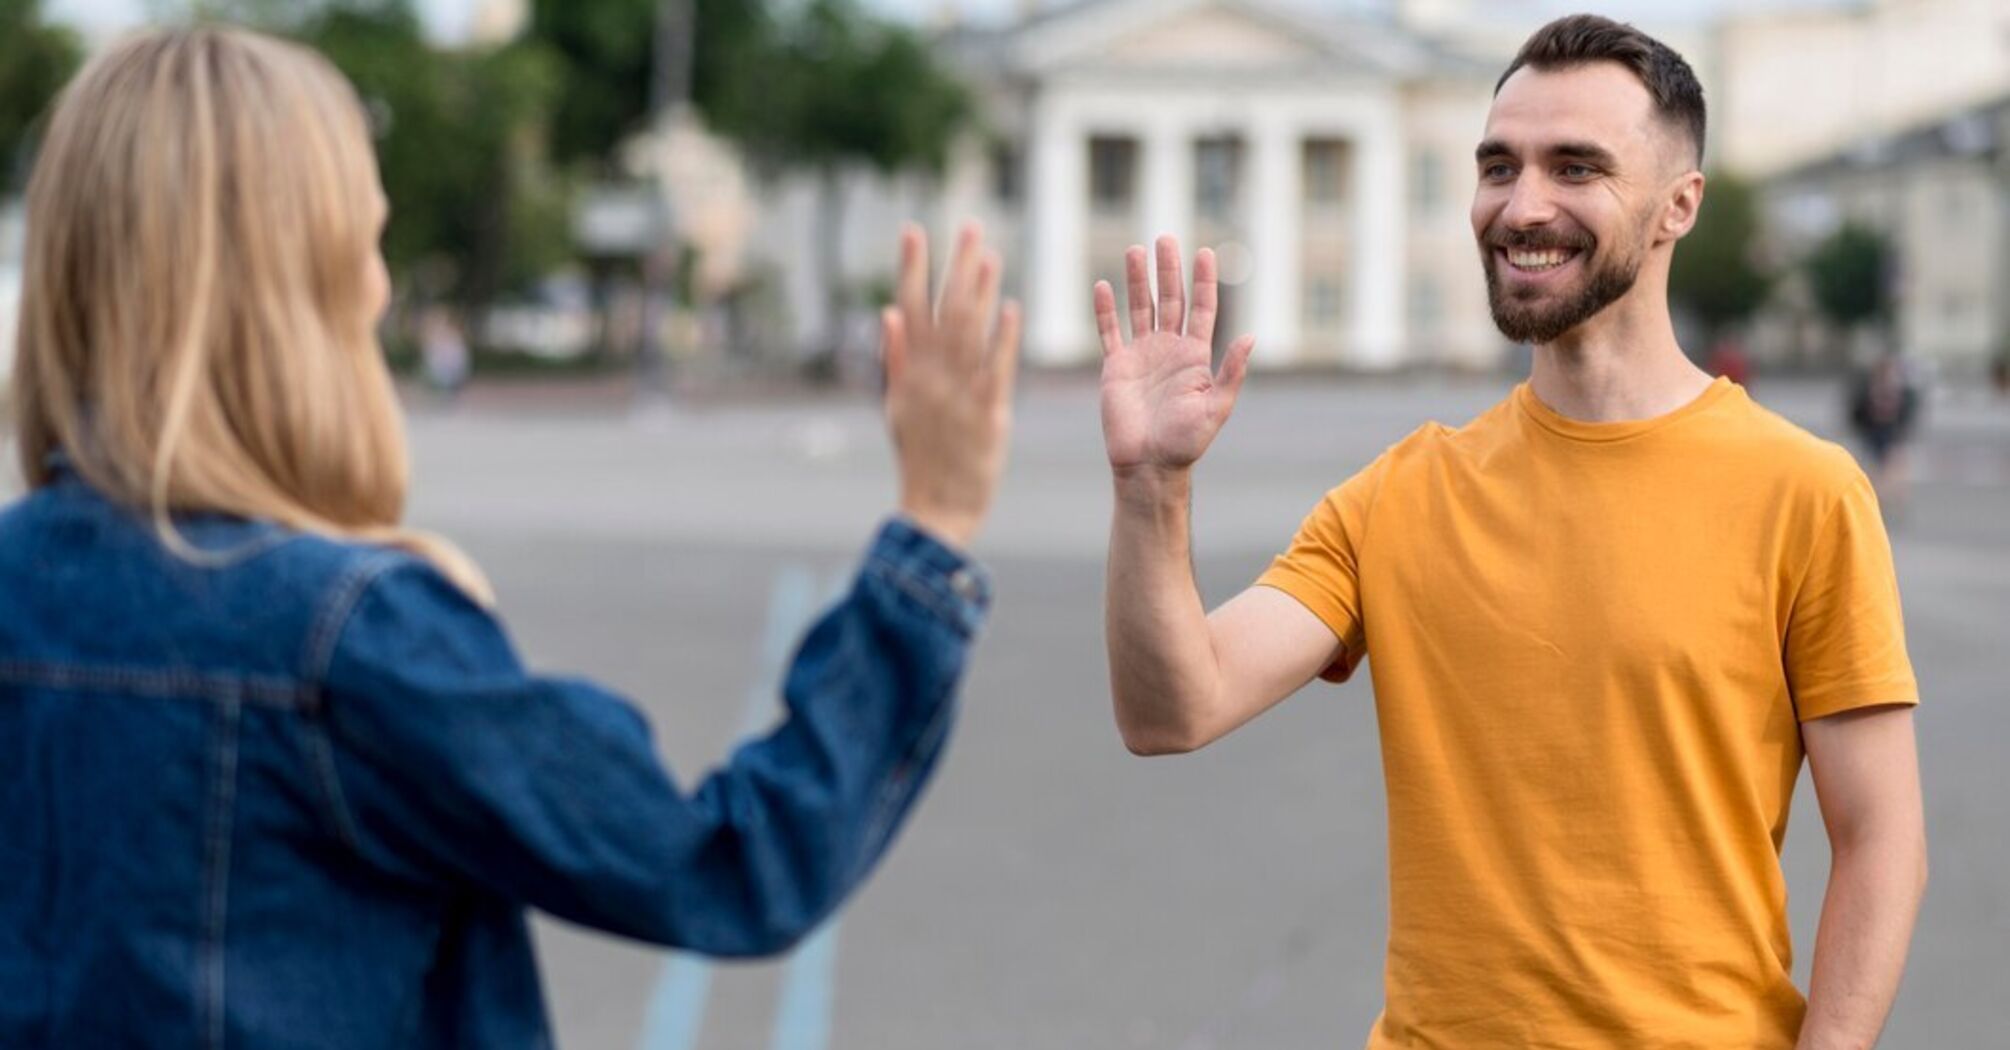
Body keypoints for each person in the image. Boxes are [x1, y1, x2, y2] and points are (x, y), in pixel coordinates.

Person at [0, 28, 1020, 1048]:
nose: (380, 287)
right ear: (297, 290)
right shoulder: (352, 639)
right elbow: (728, 865)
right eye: (364, 242)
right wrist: (932, 524)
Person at [1097, 15, 1924, 1050]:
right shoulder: (1398, 496)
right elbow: (1172, 709)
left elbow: (1881, 838)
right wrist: (1151, 488)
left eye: (1576, 167)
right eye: (1499, 165)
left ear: (1679, 204)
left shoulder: (1804, 493)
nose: (1521, 205)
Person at [1848, 350, 1923, 517]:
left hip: (1890, 432)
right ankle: (1881, 500)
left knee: (1893, 468)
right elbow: (1859, 410)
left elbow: (1907, 409)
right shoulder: (1871, 387)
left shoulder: (1897, 387)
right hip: (1876, 432)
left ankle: (1893, 500)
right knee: (1882, 469)